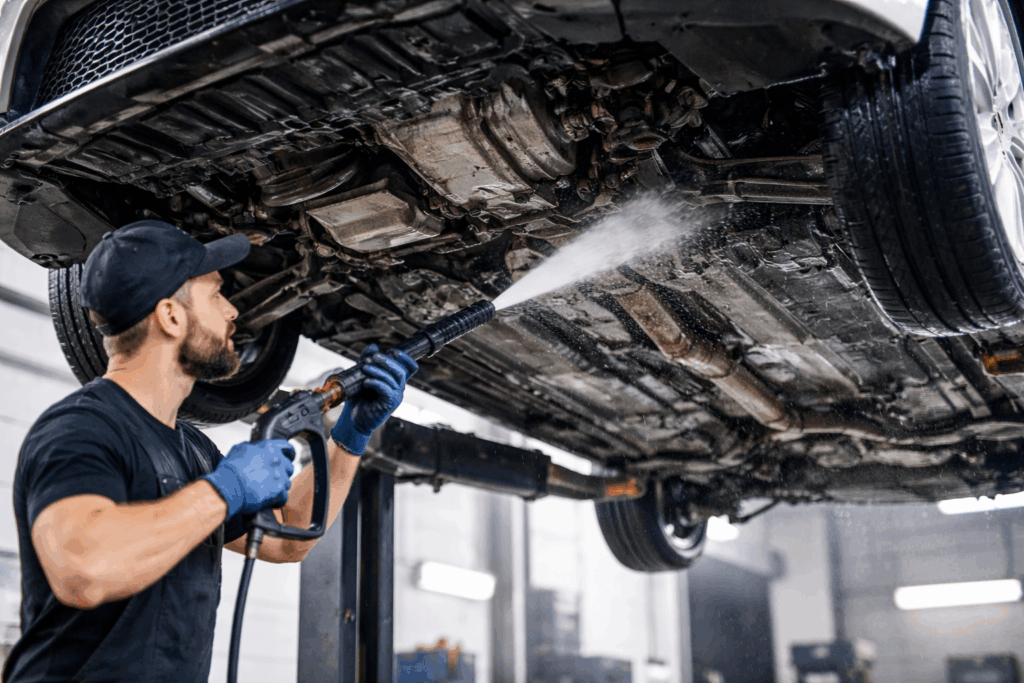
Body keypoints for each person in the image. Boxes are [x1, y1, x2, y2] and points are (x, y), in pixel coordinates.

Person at [1, 220, 418, 682]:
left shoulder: (194, 450)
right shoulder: (79, 429)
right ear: (171, 316)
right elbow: (85, 569)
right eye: (216, 294)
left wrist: (347, 438)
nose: (233, 312)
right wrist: (226, 490)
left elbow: (288, 537)